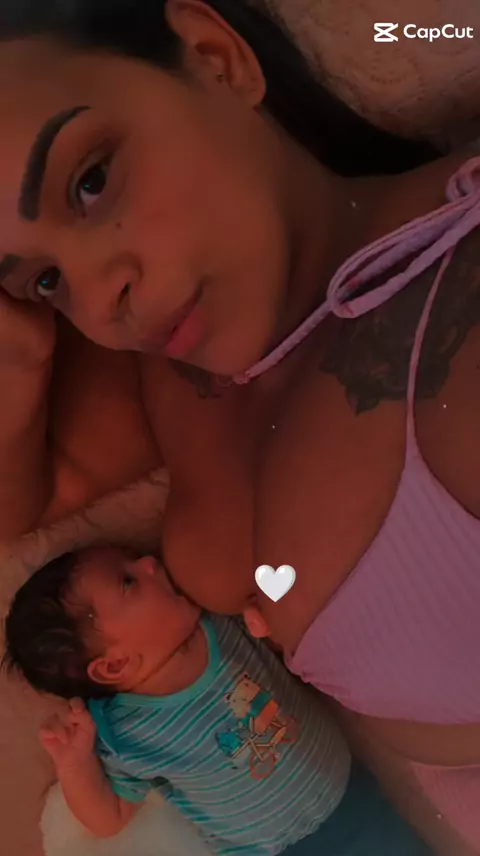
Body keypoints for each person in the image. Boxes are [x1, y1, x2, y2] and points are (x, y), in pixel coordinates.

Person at [0, 0, 479, 846]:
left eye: (91, 180)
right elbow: (14, 508)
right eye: (45, 280)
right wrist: (23, 357)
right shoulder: (172, 371)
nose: (99, 300)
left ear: (216, 57)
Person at [2, 545, 431, 855]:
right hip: (271, 849)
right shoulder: (124, 732)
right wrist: (74, 763)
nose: (150, 562)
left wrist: (271, 622)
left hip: (350, 795)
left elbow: (287, 652)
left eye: (134, 559)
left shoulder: (218, 620)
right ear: (114, 665)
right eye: (128, 581)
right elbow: (109, 818)